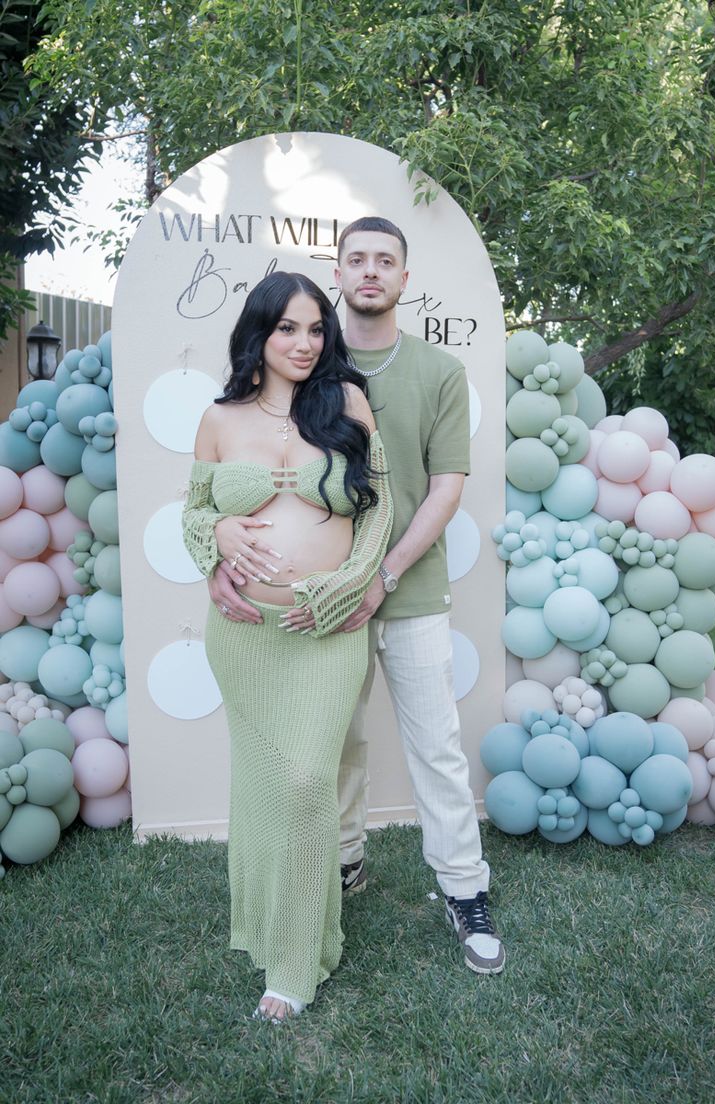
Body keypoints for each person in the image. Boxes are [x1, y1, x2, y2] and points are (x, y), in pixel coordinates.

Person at [208, 218, 505, 976]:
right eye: (357, 260)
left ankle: (464, 889)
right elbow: (237, 487)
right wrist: (217, 549)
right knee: (331, 744)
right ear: (337, 273)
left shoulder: (437, 371)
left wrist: (384, 575)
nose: (371, 272)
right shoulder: (309, 370)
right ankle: (341, 863)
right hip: (319, 607)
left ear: (405, 278)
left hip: (407, 586)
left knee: (434, 744)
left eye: (387, 261)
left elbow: (445, 489)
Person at [182, 271, 393, 1023]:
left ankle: (299, 961)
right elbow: (195, 512)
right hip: (246, 638)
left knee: (307, 780)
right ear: (260, 335)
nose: (304, 344)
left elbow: (379, 509)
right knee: (268, 787)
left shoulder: (347, 403)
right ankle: (269, 927)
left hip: (327, 631)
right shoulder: (218, 417)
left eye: (315, 329)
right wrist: (217, 543)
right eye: (287, 330)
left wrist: (353, 582)